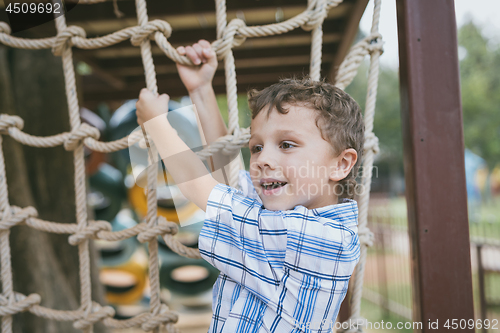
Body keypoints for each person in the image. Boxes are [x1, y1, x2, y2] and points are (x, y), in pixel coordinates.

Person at [136, 39, 363, 333]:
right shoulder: (288, 214)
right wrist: (201, 90)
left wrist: (157, 125)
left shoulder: (316, 238)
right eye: (256, 147)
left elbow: (203, 189)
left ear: (341, 164)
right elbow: (228, 177)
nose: (262, 159)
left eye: (286, 144)